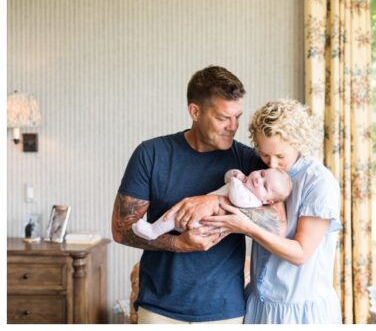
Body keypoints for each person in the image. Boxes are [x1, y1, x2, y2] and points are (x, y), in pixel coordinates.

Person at [111, 66, 282, 324]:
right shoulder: (151, 154)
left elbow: (278, 223)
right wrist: (178, 244)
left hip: (225, 311)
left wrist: (216, 200)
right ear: (195, 111)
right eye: (224, 118)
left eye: (237, 117)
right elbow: (121, 229)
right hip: (159, 308)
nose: (233, 127)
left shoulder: (249, 163)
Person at [203, 99, 342, 324]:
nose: (272, 164)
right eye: (265, 155)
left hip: (299, 312)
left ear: (299, 143)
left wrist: (246, 228)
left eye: (280, 156)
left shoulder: (318, 182)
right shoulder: (262, 172)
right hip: (260, 303)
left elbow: (300, 254)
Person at [132, 168, 292, 240]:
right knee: (176, 213)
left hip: (203, 222)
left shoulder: (252, 200)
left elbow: (237, 198)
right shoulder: (247, 184)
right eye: (262, 173)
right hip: (200, 215)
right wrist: (234, 174)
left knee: (175, 216)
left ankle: (153, 231)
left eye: (264, 186)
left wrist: (237, 180)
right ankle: (155, 229)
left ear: (267, 201)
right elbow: (227, 178)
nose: (258, 179)